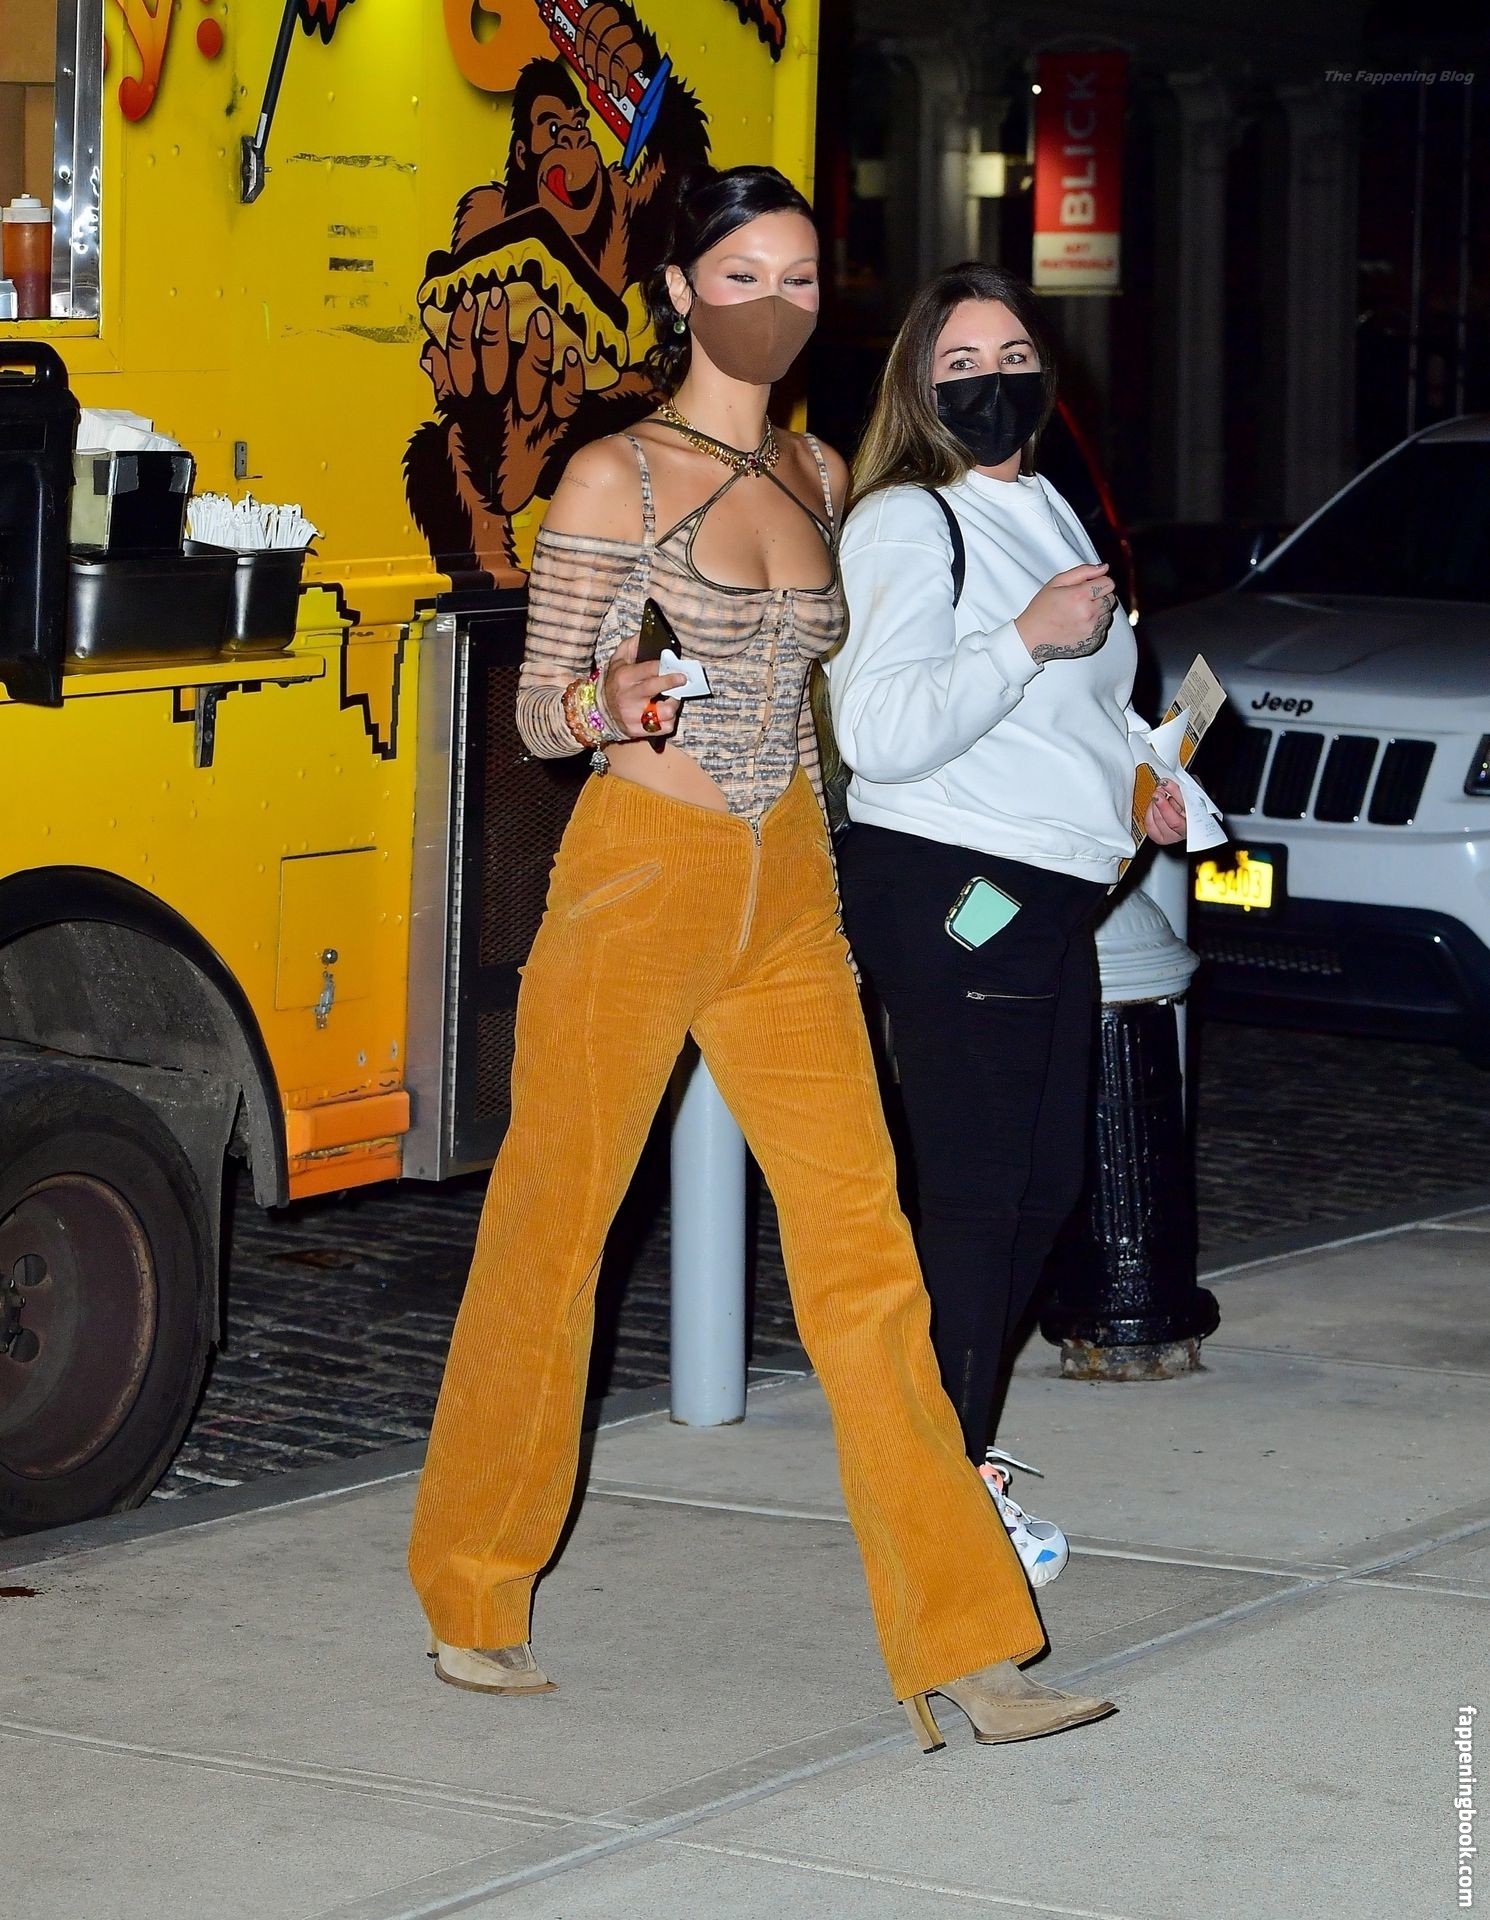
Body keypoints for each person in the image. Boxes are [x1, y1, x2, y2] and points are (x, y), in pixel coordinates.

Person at [408, 176, 1116, 1752]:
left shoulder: (815, 470)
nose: (775, 305)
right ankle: (472, 1585)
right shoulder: (615, 471)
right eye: (742, 276)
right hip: (639, 875)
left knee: (867, 1257)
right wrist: (606, 705)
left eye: (798, 278)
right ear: (679, 292)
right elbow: (534, 712)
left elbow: (846, 702)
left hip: (788, 887)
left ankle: (966, 1646)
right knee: (552, 1233)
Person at [828, 261, 1219, 1584]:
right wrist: (1026, 636)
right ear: (918, 385)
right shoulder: (907, 520)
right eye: (960, 365)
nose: (991, 383)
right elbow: (879, 729)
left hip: (1051, 890)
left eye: (1011, 359)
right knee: (979, 1202)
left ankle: (943, 1467)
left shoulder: (1044, 502)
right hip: (959, 890)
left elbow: (1077, 715)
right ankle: (935, 1509)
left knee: (1040, 1193)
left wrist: (1145, 779)